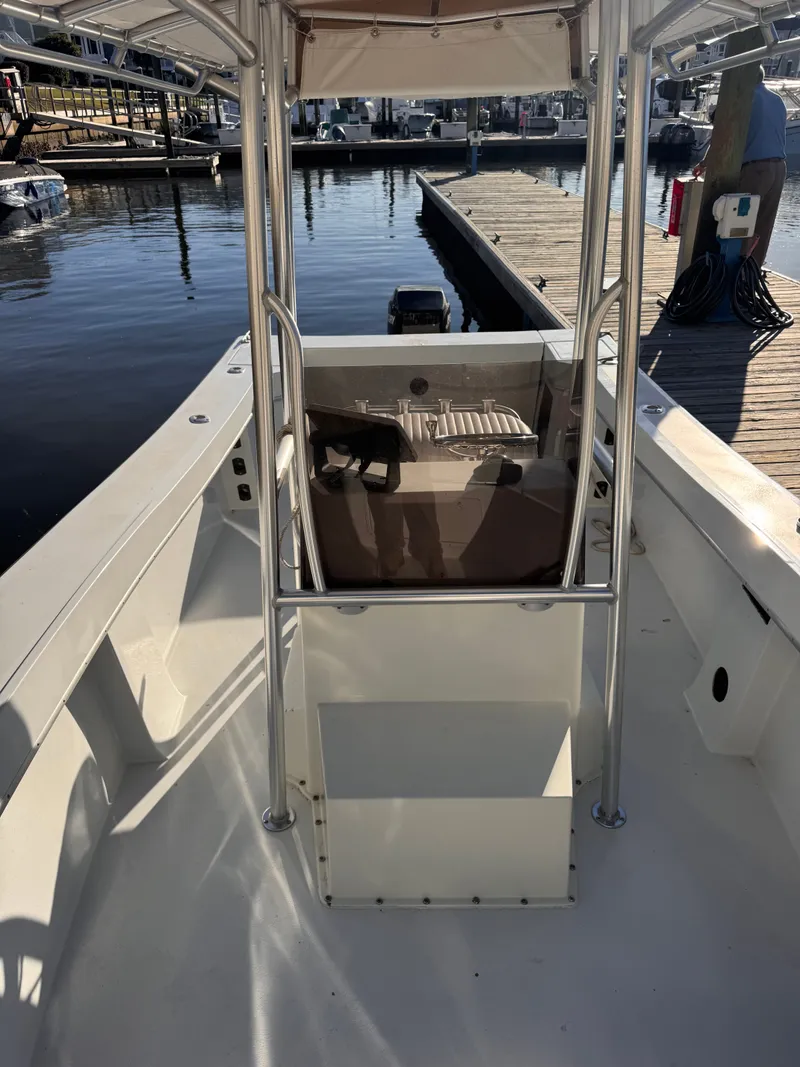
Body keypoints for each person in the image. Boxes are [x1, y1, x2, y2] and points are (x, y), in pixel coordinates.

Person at [695, 67, 786, 266]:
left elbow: (722, 134)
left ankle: (732, 272)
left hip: (755, 169)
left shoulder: (743, 98)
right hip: (779, 168)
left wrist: (704, 163)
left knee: (740, 223)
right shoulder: (778, 100)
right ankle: (752, 272)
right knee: (763, 225)